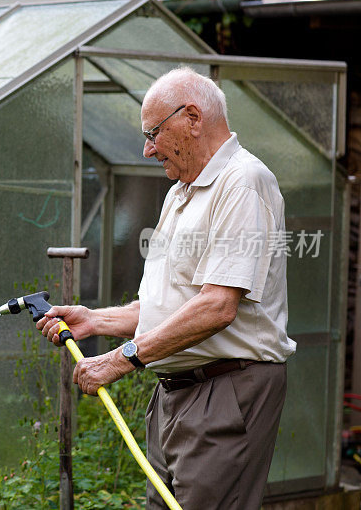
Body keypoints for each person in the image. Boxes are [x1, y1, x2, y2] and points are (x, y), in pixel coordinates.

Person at [37, 67, 295, 510]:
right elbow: (168, 304)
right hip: (176, 393)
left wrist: (122, 360)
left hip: (226, 390)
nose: (147, 148)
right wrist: (96, 319)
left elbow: (217, 307)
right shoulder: (181, 192)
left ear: (193, 117)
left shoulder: (243, 183)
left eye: (154, 133)